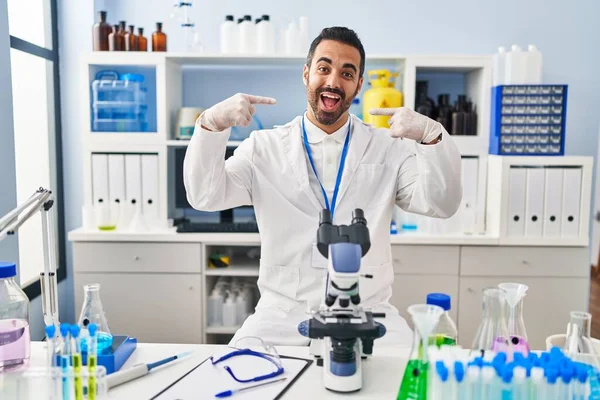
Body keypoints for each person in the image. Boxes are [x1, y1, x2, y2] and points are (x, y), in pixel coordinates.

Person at [184, 27, 462, 347]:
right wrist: (212, 124)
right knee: (241, 375)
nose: (333, 81)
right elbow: (205, 196)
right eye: (323, 67)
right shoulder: (264, 147)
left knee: (406, 382)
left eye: (347, 73)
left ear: (359, 84)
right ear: (306, 73)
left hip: (369, 312)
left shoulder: (387, 147)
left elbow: (442, 204)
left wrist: (432, 135)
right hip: (282, 313)